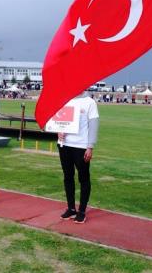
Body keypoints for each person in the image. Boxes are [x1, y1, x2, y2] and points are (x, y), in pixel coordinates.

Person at [56, 92, 99, 224]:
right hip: (64, 145)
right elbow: (59, 119)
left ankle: (82, 211)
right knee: (68, 176)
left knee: (83, 178)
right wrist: (59, 131)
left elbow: (94, 125)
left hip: (81, 146)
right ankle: (71, 208)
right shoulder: (65, 99)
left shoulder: (89, 102)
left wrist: (90, 146)